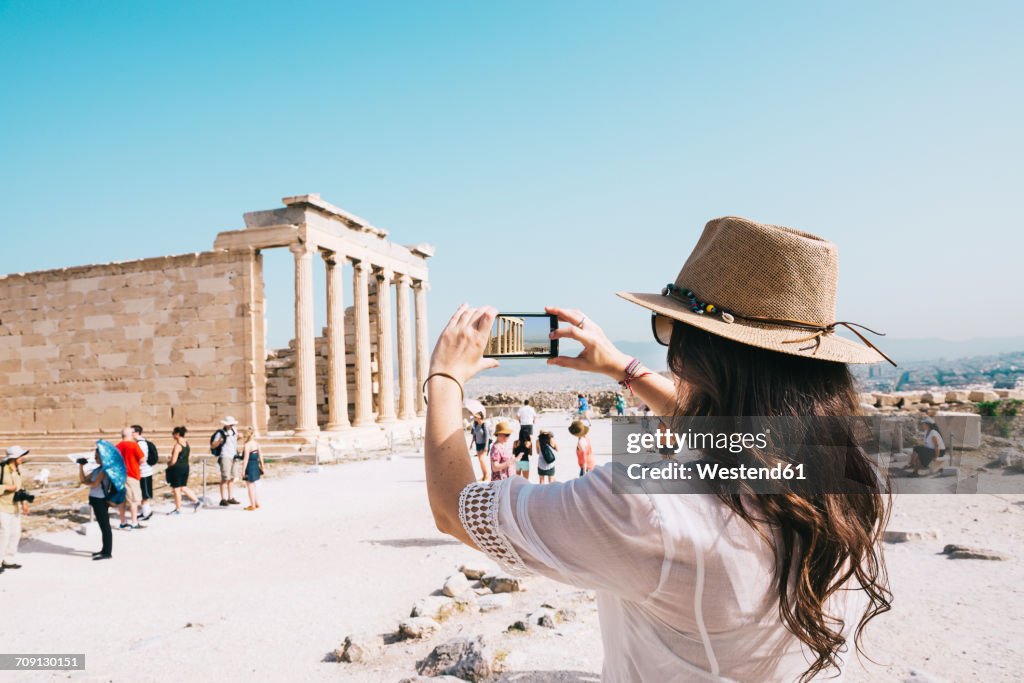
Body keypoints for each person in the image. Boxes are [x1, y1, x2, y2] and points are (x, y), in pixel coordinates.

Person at [423, 216, 895, 681]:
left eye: (669, 328)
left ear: (696, 353)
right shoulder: (849, 475)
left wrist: (444, 379)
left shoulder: (646, 503)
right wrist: (622, 368)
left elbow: (453, 509)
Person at [0, 446, 30, 571]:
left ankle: (8, 560)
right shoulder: (1, 469)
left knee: (15, 534)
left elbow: (21, 487)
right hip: (2, 507)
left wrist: (24, 502)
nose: (23, 458)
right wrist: (6, 488)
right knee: (3, 535)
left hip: (15, 508)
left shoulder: (19, 470)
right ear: (14, 457)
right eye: (21, 456)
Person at [79, 449, 112, 560]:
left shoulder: (105, 470)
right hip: (94, 499)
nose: (95, 458)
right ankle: (104, 550)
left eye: (97, 456)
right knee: (102, 526)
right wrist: (81, 466)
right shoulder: (97, 469)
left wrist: (89, 483)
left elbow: (95, 483)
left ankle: (107, 552)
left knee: (105, 526)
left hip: (101, 500)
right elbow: (83, 480)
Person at [116, 427, 146, 530]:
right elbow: (142, 459)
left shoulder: (117, 446)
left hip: (120, 477)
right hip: (131, 475)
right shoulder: (133, 445)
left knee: (122, 500)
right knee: (133, 500)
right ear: (130, 434)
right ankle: (134, 522)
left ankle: (123, 522)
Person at [166, 426, 201, 514]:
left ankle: (178, 509)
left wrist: (168, 463)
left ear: (177, 434)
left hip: (177, 468)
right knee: (183, 487)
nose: (172, 436)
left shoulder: (177, 446)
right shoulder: (186, 443)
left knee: (176, 489)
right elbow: (189, 456)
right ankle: (196, 501)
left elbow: (173, 461)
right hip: (185, 466)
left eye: (173, 434)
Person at [210, 416, 241, 506]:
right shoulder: (220, 433)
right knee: (225, 478)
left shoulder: (234, 430)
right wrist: (219, 441)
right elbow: (213, 445)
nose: (232, 425)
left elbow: (233, 441)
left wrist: (239, 437)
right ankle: (223, 499)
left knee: (232, 478)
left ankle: (230, 498)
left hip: (234, 456)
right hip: (225, 456)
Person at [131, 424, 156, 521]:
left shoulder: (140, 444)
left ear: (137, 433)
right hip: (144, 471)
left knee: (144, 495)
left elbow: (140, 459)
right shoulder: (141, 443)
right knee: (143, 494)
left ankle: (146, 514)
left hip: (144, 472)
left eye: (132, 432)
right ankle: (146, 511)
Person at [240, 427, 265, 511]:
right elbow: (261, 456)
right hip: (256, 465)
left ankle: (252, 505)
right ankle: (256, 503)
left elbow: (246, 458)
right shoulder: (256, 443)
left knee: (250, 486)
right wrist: (262, 466)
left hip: (250, 466)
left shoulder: (247, 445)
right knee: (254, 485)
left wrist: (243, 470)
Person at [468, 413, 492, 482]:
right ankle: (484, 475)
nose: (474, 418)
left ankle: (487, 474)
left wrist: (486, 446)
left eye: (476, 417)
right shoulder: (475, 424)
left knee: (482, 459)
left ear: (479, 417)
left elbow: (487, 436)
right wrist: (471, 444)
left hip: (484, 444)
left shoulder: (484, 424)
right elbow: (474, 435)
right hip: (477, 444)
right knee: (480, 461)